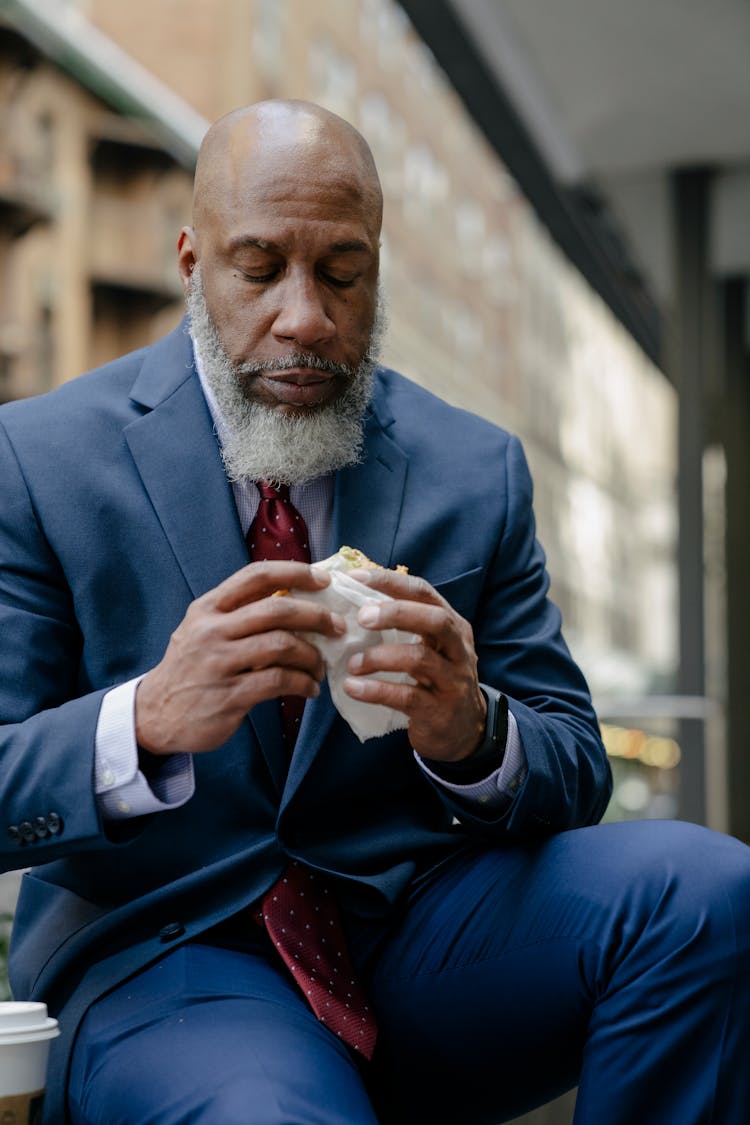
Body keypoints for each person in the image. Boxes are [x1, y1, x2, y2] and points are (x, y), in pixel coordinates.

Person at [0, 99, 748, 1125]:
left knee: (708, 892)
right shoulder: (37, 460)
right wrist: (144, 719)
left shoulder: (473, 470)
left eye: (343, 274)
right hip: (169, 957)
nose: (306, 318)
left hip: (423, 936)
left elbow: (574, 760)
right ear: (191, 262)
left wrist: (473, 730)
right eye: (260, 269)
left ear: (377, 266)